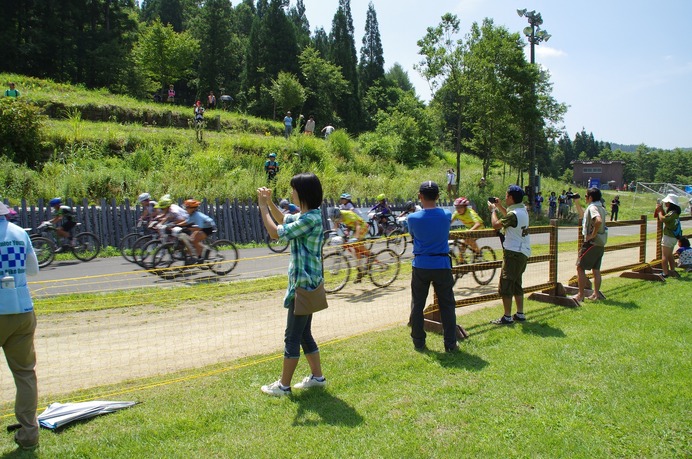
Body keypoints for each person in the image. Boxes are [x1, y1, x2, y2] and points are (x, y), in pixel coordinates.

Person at [257, 173, 326, 396]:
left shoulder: (309, 220)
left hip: (303, 285)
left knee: (292, 337)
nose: (291, 193)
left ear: (302, 192)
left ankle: (283, 386)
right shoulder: (309, 216)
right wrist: (269, 202)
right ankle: (317, 378)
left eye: (293, 189)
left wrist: (262, 207)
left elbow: (275, 232)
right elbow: (284, 219)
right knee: (304, 333)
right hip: (308, 283)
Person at [0, 201, 40, 450]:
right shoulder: (19, 232)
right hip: (22, 309)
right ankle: (29, 432)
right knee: (25, 374)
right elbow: (33, 270)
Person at [408, 181, 459, 353]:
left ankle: (418, 341)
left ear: (420, 196)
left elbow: (413, 235)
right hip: (442, 264)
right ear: (437, 196)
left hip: (421, 264)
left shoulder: (412, 218)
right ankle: (450, 344)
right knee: (447, 305)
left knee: (417, 304)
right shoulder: (446, 215)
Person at [489, 185, 531, 324]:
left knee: (506, 285)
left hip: (513, 253)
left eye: (506, 196)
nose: (505, 198)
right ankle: (520, 314)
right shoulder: (522, 210)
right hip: (522, 252)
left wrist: (493, 211)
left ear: (511, 198)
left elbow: (496, 225)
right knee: (517, 283)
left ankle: (507, 317)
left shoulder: (514, 214)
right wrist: (500, 206)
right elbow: (510, 217)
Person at [572, 188, 606, 302]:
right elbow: (584, 216)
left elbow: (598, 221)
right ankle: (596, 294)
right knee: (596, 269)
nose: (585, 197)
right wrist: (577, 203)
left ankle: (580, 295)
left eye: (586, 196)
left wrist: (592, 235)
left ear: (591, 197)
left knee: (580, 267)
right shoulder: (600, 207)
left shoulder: (592, 208)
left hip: (591, 243)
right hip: (600, 243)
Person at [330, 208, 372, 282]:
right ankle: (360, 270)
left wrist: (356, 237)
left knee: (355, 244)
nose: (337, 221)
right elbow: (336, 226)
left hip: (362, 226)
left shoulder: (348, 215)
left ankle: (370, 255)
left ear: (340, 216)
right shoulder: (337, 216)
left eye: (337, 219)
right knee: (356, 251)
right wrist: (333, 233)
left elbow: (358, 226)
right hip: (353, 228)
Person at [654, 193, 682, 278]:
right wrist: (661, 210)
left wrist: (659, 211)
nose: (665, 203)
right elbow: (666, 218)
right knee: (670, 255)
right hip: (673, 237)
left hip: (668, 236)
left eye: (667, 202)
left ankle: (665, 273)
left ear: (671, 203)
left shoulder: (672, 213)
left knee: (664, 256)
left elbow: (663, 219)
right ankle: (672, 271)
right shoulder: (675, 213)